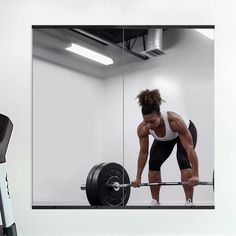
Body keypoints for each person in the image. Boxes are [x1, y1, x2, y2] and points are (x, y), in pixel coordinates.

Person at [131, 89, 199, 206]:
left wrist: (196, 174)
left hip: (184, 131)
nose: (149, 125)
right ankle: (155, 201)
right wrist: (138, 178)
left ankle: (189, 201)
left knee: (183, 159)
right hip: (165, 138)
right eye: (146, 122)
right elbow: (143, 153)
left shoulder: (174, 121)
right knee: (153, 163)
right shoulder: (143, 129)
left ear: (159, 115)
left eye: (152, 121)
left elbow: (189, 149)